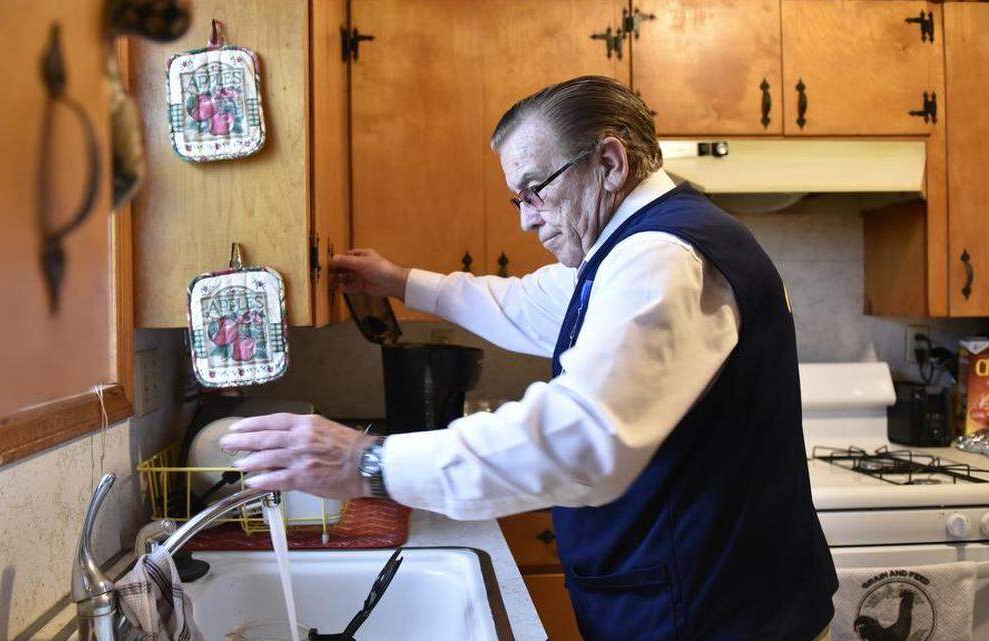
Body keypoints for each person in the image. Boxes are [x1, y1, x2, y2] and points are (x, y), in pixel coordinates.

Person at [220, 76, 837, 641]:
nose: (524, 220)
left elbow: (579, 439)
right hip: (693, 605)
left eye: (534, 191)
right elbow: (524, 304)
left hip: (716, 619)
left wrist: (369, 464)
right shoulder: (633, 245)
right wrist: (401, 281)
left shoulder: (663, 258)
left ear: (610, 163)